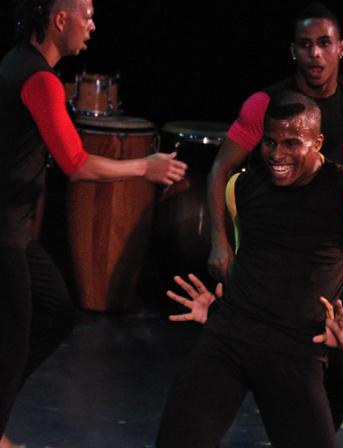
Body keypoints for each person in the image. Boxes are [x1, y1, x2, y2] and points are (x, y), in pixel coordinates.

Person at [157, 90, 343, 448]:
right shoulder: (241, 187)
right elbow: (255, 263)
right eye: (270, 142)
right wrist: (221, 304)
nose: (277, 155)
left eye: (292, 143)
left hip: (295, 351)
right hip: (228, 339)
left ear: (318, 142)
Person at [0, 1, 187, 447]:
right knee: (13, 342)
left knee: (53, 314)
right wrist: (144, 167)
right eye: (86, 15)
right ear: (59, 20)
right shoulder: (39, 79)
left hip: (15, 229)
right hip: (4, 231)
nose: (92, 25)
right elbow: (76, 164)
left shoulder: (17, 60)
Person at [206, 1, 343, 431]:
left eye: (324, 43)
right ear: (293, 51)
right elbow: (221, 170)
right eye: (305, 44)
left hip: (322, 259)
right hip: (270, 250)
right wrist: (220, 241)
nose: (314, 53)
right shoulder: (267, 104)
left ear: (341, 48)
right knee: (246, 355)